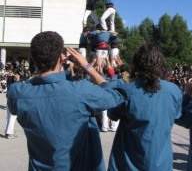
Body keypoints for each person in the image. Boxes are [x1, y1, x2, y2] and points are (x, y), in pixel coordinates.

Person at [7, 31, 127, 171]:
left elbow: (31, 84)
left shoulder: (17, 93)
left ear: (34, 58)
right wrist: (87, 66)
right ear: (61, 58)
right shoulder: (80, 91)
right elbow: (116, 94)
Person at [107, 43, 182, 171]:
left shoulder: (126, 90)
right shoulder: (174, 91)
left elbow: (112, 114)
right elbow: (177, 115)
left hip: (128, 163)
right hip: (161, 163)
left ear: (136, 64)